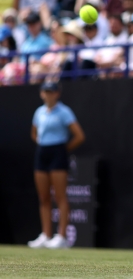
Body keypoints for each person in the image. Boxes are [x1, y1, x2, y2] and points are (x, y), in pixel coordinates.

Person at [28, 82, 85, 249]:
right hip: (42, 153)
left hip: (58, 153)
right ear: (41, 94)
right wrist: (43, 143)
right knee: (44, 197)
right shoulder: (39, 112)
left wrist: (63, 149)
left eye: (51, 92)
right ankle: (45, 235)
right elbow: (34, 132)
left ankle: (61, 237)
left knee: (60, 197)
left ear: (57, 94)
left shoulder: (64, 111)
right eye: (45, 92)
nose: (48, 95)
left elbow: (79, 136)